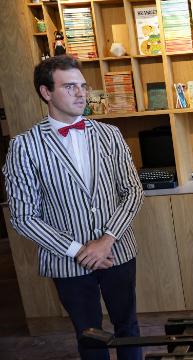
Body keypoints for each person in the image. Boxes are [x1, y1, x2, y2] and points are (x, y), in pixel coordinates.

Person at [3, 55, 144, 360]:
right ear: (46, 92)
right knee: (89, 336)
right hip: (68, 261)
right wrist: (79, 250)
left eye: (82, 86)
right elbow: (23, 216)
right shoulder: (24, 146)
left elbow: (132, 191)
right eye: (70, 87)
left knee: (128, 327)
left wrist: (106, 240)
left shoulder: (111, 135)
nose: (81, 93)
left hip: (117, 251)